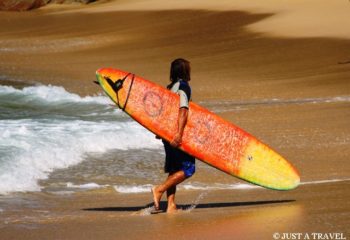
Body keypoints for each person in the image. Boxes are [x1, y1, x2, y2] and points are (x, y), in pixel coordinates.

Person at [152, 58, 196, 213]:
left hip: (166, 134)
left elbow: (164, 112)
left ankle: (171, 205)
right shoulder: (184, 87)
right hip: (176, 133)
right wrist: (179, 133)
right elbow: (183, 110)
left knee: (174, 169)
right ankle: (159, 189)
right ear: (185, 71)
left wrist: (159, 131)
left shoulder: (170, 87)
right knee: (188, 169)